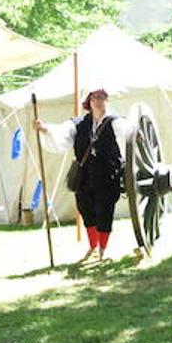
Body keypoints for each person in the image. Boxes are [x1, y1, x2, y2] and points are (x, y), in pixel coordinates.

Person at [36, 89, 123, 263]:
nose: (98, 101)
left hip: (107, 175)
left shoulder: (115, 122)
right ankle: (93, 245)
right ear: (89, 102)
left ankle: (103, 249)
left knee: (103, 211)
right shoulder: (79, 123)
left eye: (102, 97)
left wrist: (135, 133)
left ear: (107, 100)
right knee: (86, 210)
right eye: (95, 98)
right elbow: (62, 132)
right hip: (84, 175)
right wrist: (45, 128)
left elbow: (126, 131)